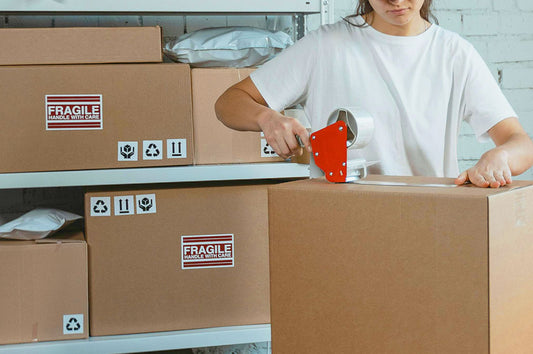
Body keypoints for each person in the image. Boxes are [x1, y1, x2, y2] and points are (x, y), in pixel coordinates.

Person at [215, 0, 533, 188]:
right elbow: (228, 103)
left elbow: (520, 143)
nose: (396, 0)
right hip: (340, 221)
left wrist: (500, 156)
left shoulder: (454, 53)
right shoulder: (325, 45)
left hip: (428, 222)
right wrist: (266, 117)